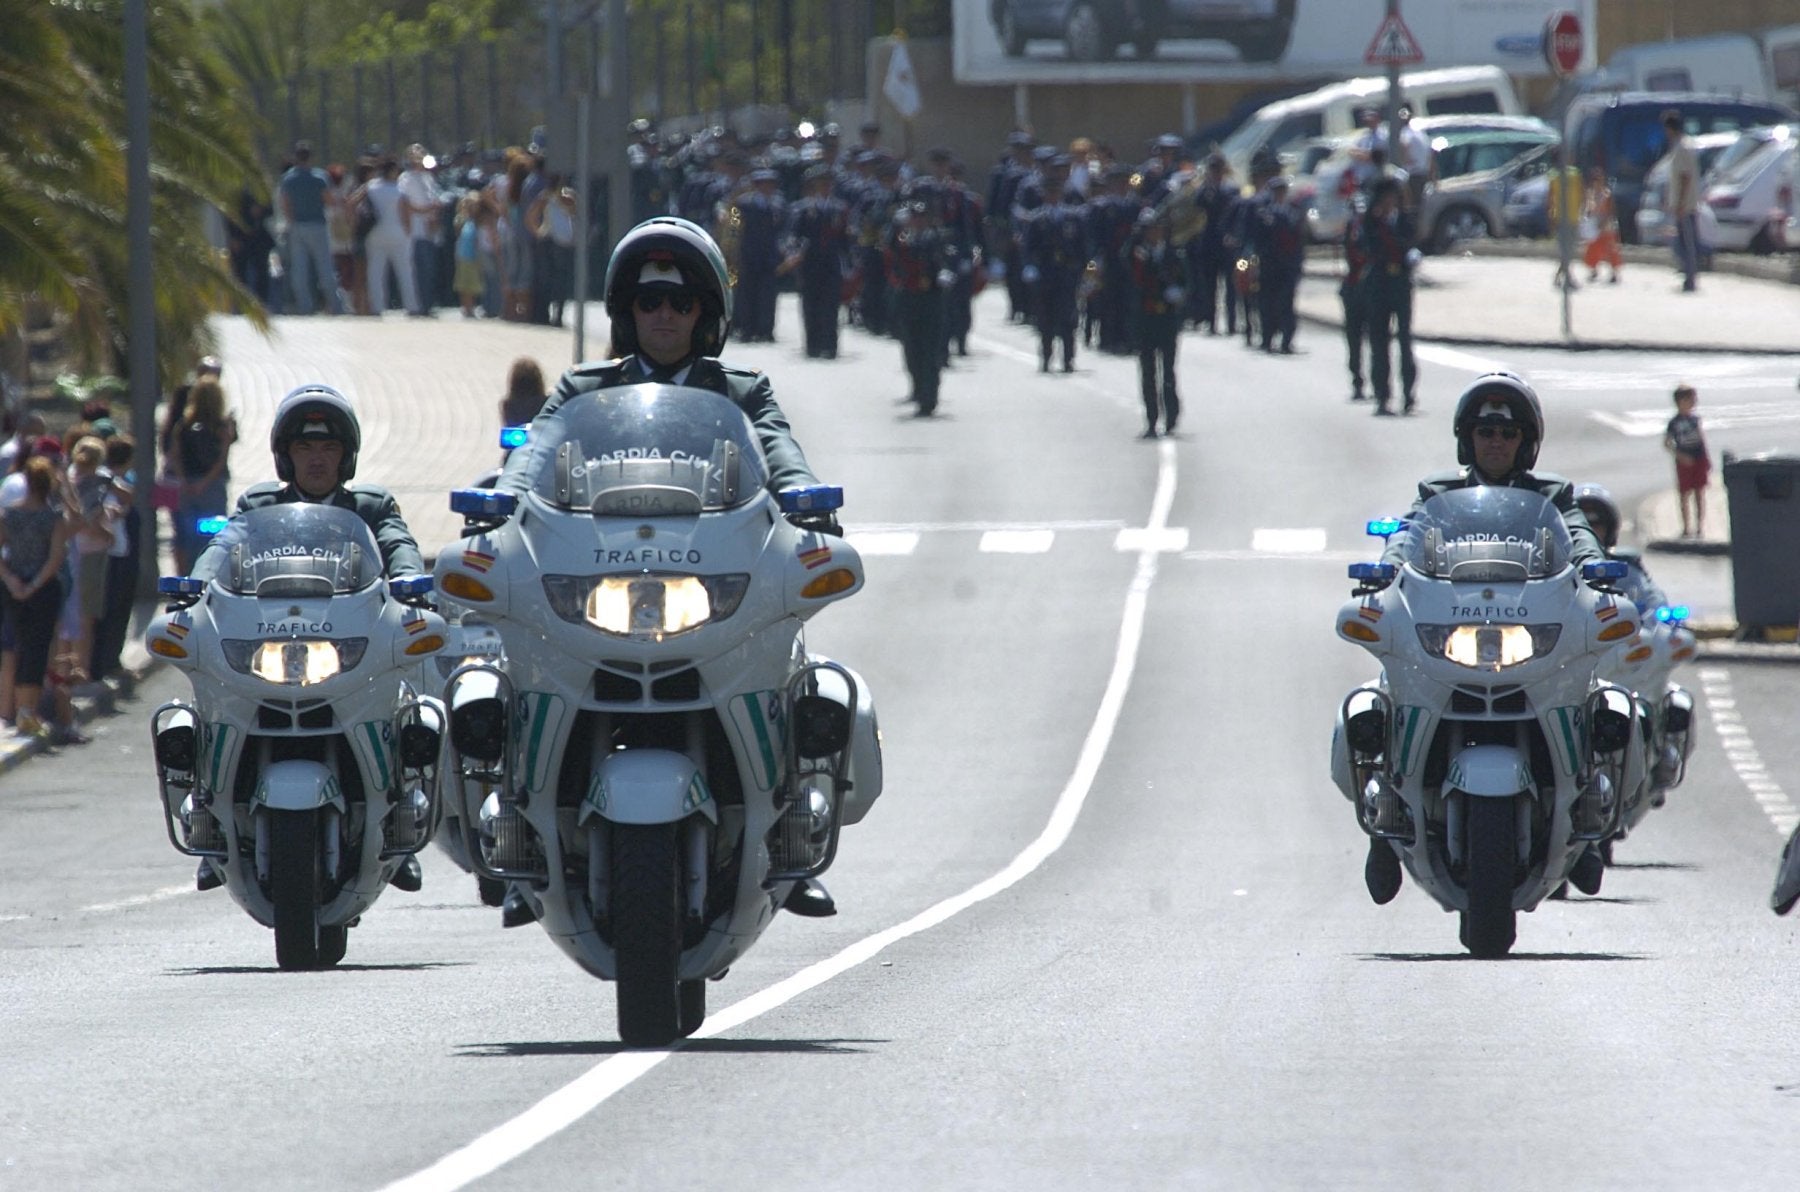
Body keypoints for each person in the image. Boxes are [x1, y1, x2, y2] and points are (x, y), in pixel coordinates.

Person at [494, 216, 838, 921]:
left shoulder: (742, 392)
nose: (664, 315)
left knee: (785, 673)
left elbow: (779, 451)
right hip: (602, 577)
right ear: (626, 312)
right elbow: (532, 455)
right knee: (521, 676)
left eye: (681, 302)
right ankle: (527, 839)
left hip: (711, 578)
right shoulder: (583, 390)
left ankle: (789, 840)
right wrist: (502, 498)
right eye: (648, 301)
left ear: (705, 314)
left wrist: (805, 498)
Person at [1366, 373, 1606, 903]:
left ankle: (1587, 815)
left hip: (1529, 632)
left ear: (1527, 441)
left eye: (1508, 432)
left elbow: (1578, 534)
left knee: (1604, 703)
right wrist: (1387, 568)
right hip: (1453, 630)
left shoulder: (1551, 495)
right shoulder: (1439, 493)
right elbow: (1407, 535)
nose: (1496, 442)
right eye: (1485, 431)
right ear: (1466, 438)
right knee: (1376, 701)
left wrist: (1595, 564)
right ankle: (1383, 816)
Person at [0, 456, 79, 744]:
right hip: (43, 588)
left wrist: (12, 581)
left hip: (13, 585)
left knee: (18, 645)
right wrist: (33, 585)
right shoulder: (53, 517)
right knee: (38, 648)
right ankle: (26, 710)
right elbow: (56, 556)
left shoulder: (8, 515)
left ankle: (20, 709)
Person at [883, 182, 955, 417]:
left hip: (931, 299)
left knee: (931, 350)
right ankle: (917, 388)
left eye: (922, 217)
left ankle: (929, 397)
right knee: (912, 348)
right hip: (908, 299)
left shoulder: (938, 238)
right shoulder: (902, 238)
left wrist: (945, 272)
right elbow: (888, 250)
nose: (919, 221)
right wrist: (897, 224)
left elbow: (947, 258)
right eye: (915, 217)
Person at [167, 375, 237, 576]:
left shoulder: (183, 426)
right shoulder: (222, 426)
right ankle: (212, 573)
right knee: (214, 533)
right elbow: (221, 459)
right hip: (212, 487)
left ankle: (185, 576)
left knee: (185, 535)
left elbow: (175, 456)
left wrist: (184, 481)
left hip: (187, 486)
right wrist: (204, 483)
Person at [1360, 177, 1419, 416]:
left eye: (1393, 197)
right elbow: (1366, 246)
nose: (1390, 202)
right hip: (1379, 284)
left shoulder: (1404, 220)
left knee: (1405, 339)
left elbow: (1410, 243)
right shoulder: (1370, 221)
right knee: (1379, 342)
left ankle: (1408, 394)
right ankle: (1382, 394)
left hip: (1400, 284)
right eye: (1385, 197)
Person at [1126, 208, 1184, 438]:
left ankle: (1171, 416)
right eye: (1149, 230)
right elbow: (1126, 264)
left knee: (1168, 371)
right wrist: (1134, 238)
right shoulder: (1136, 253)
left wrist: (1179, 293)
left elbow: (1186, 280)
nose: (1154, 233)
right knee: (1148, 372)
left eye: (1157, 229)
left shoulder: (1173, 254)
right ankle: (1151, 419)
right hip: (1145, 319)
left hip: (1167, 319)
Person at [277, 141, 342, 316]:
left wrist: (291, 222)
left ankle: (304, 307)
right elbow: (329, 200)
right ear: (310, 157)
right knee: (325, 268)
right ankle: (335, 306)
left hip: (297, 226)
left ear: (296, 157)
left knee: (299, 269)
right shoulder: (320, 177)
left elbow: (285, 204)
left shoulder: (288, 178)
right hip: (318, 224)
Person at [1662, 110, 1701, 293]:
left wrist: (1680, 203)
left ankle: (1690, 278)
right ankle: (1687, 275)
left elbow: (1685, 177)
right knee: (1682, 242)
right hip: (1683, 203)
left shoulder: (1683, 148)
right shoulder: (1681, 146)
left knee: (1686, 243)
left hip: (1685, 205)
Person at [1664, 383, 1710, 538]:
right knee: (1684, 494)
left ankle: (1699, 527)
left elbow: (1701, 438)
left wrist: (1706, 459)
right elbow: (1667, 443)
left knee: (1699, 493)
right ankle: (1686, 528)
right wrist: (1680, 456)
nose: (1694, 402)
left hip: (1699, 457)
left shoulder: (1695, 419)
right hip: (1684, 461)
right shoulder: (1674, 422)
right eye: (1691, 399)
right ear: (1681, 401)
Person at [1581, 166, 1622, 284]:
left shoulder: (1606, 194)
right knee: (1593, 249)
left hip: (1606, 226)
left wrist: (1603, 222)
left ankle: (1614, 273)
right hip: (1594, 225)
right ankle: (1593, 271)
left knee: (1610, 249)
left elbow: (1611, 211)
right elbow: (1588, 209)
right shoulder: (1590, 194)